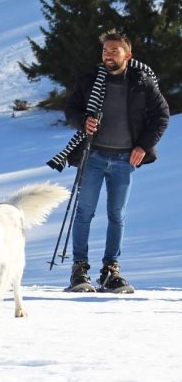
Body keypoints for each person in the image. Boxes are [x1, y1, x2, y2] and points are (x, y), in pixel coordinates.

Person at [64, 30, 169, 293]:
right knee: (84, 212)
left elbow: (161, 115)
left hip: (124, 159)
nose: (108, 55)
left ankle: (111, 271)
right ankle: (79, 270)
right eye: (105, 51)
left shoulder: (141, 81)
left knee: (117, 215)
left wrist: (144, 146)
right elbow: (71, 109)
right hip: (94, 156)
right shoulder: (90, 79)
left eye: (114, 50)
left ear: (127, 54)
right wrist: (82, 121)